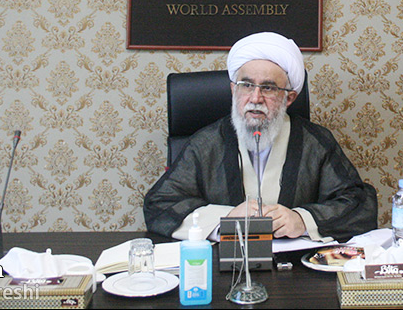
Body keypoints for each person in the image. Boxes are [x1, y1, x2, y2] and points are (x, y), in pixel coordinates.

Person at [143, 32, 378, 242]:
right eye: (246, 85)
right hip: (224, 267)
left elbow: (360, 204)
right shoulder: (206, 143)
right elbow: (159, 204)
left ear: (289, 98)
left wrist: (302, 220)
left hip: (296, 269)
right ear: (234, 90)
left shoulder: (315, 142)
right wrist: (225, 219)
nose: (255, 98)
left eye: (268, 88)